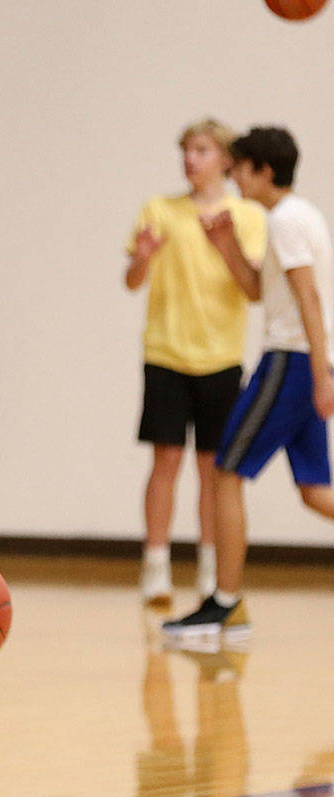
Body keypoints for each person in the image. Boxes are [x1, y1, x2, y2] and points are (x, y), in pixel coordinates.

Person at [164, 126, 334, 642]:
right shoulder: (297, 216)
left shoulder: (284, 220)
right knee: (314, 491)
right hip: (305, 361)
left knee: (224, 472)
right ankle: (226, 603)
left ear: (261, 170)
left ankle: (225, 603)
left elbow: (308, 299)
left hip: (292, 362)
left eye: (239, 167)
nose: (234, 175)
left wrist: (322, 375)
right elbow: (262, 290)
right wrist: (227, 245)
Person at [124, 119, 267, 606]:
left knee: (213, 469)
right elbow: (131, 280)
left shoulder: (246, 216)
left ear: (225, 160)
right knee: (165, 461)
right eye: (186, 150)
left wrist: (224, 245)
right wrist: (141, 258)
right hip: (165, 353)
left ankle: (211, 568)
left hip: (221, 359)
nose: (191, 159)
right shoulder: (160, 210)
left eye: (202, 150)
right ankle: (156, 566)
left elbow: (255, 291)